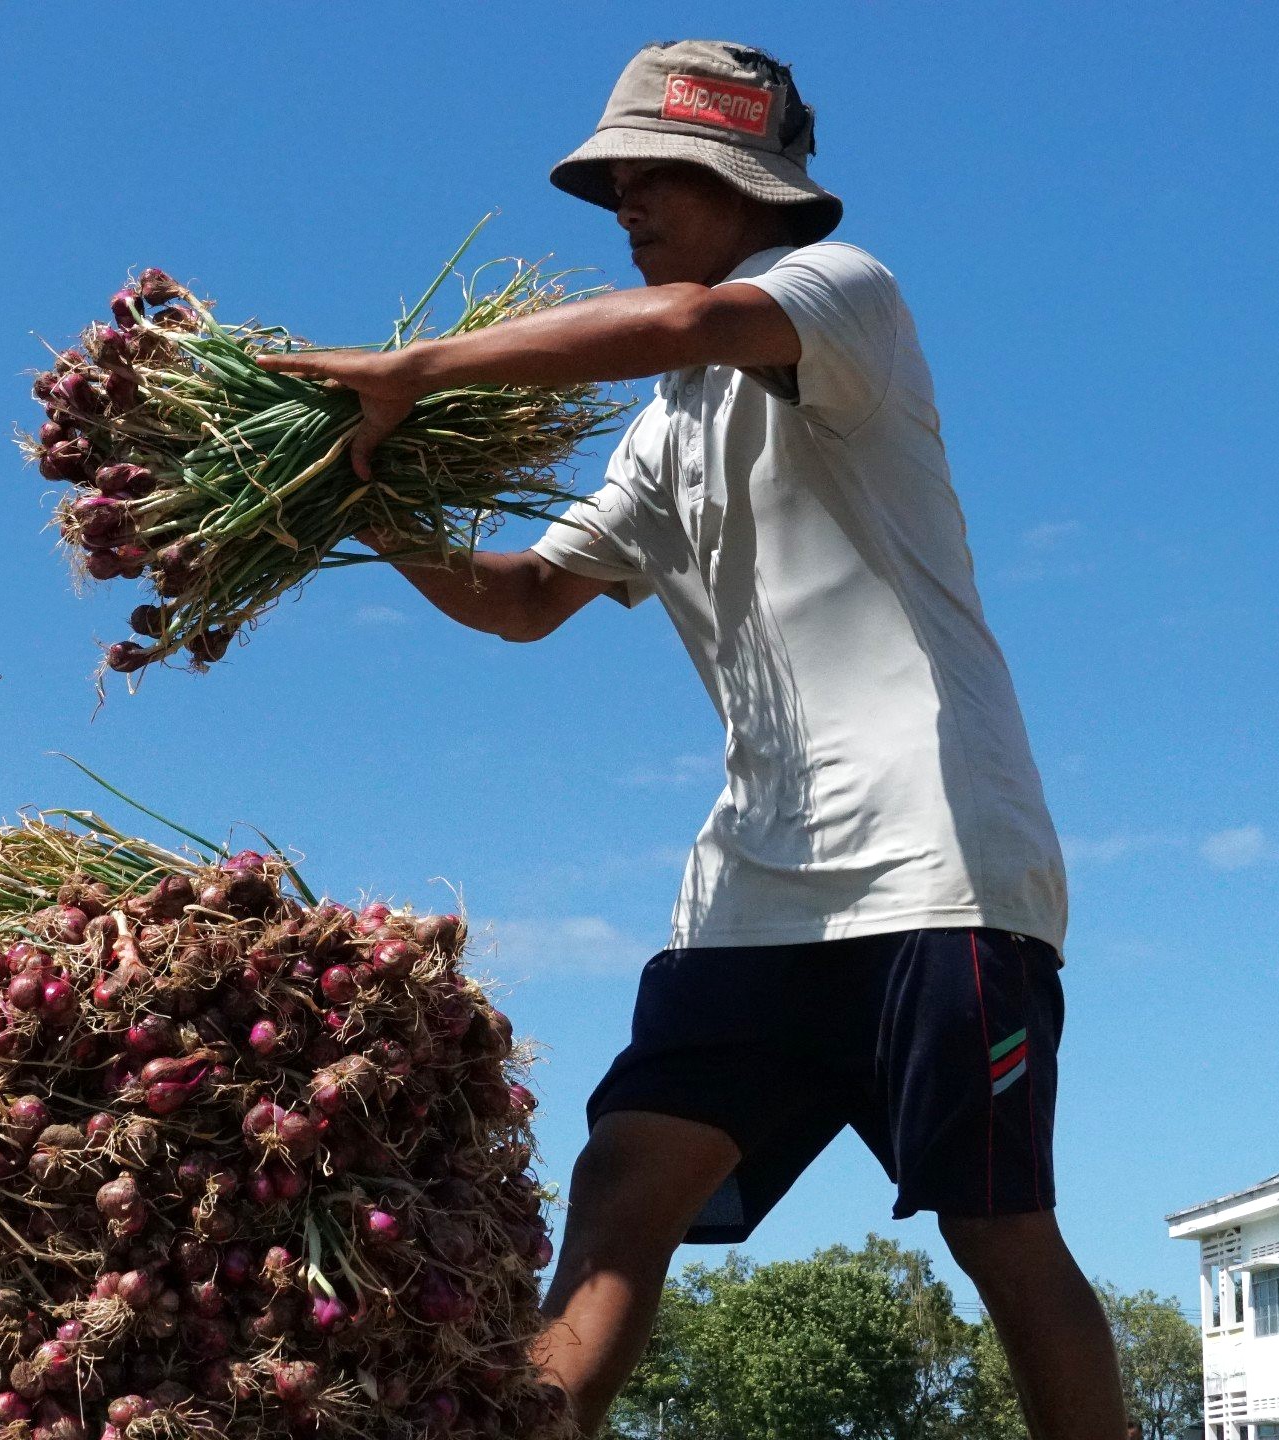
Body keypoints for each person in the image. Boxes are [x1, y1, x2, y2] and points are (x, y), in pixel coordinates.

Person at [259, 38, 1129, 1440]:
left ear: (750, 184)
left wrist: (421, 370)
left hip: (939, 866)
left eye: (657, 177)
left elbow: (679, 327)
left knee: (997, 1231)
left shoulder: (845, 299)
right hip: (748, 898)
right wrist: (359, 506)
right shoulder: (665, 436)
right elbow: (528, 601)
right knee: (618, 1198)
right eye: (614, 185)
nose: (626, 206)